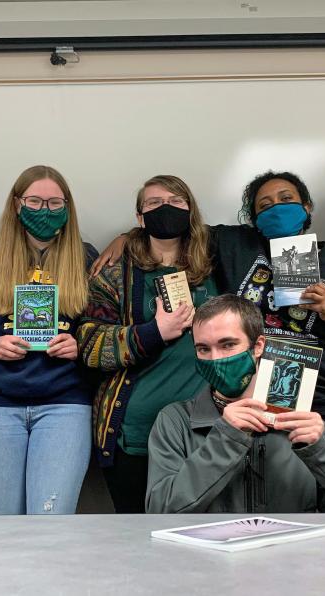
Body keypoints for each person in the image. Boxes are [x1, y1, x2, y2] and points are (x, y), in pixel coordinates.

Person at [93, 171, 325, 476]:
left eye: (286, 199)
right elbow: (171, 226)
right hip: (270, 402)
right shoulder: (235, 246)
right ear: (253, 217)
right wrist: (126, 238)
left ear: (306, 207)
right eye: (264, 205)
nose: (276, 208)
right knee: (285, 505)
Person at [145, 294, 325, 513]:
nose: (216, 358)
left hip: (291, 557)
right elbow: (160, 512)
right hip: (213, 558)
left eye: (228, 345)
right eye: (203, 349)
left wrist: (322, 450)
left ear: (258, 346)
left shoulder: (302, 420)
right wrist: (225, 438)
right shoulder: (176, 421)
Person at [0, 165, 97, 515]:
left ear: (67, 207)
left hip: (65, 405)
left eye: (54, 202)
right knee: (0, 523)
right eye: (34, 201)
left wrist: (79, 346)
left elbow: (104, 329)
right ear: (17, 205)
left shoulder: (87, 259)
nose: (44, 211)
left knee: (51, 520)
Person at [76, 175, 217, 513]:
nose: (164, 208)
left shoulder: (217, 266)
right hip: (134, 433)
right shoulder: (113, 274)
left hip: (205, 429)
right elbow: (89, 344)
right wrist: (153, 332)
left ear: (190, 210)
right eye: (153, 203)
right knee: (137, 542)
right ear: (140, 218)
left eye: (175, 201)